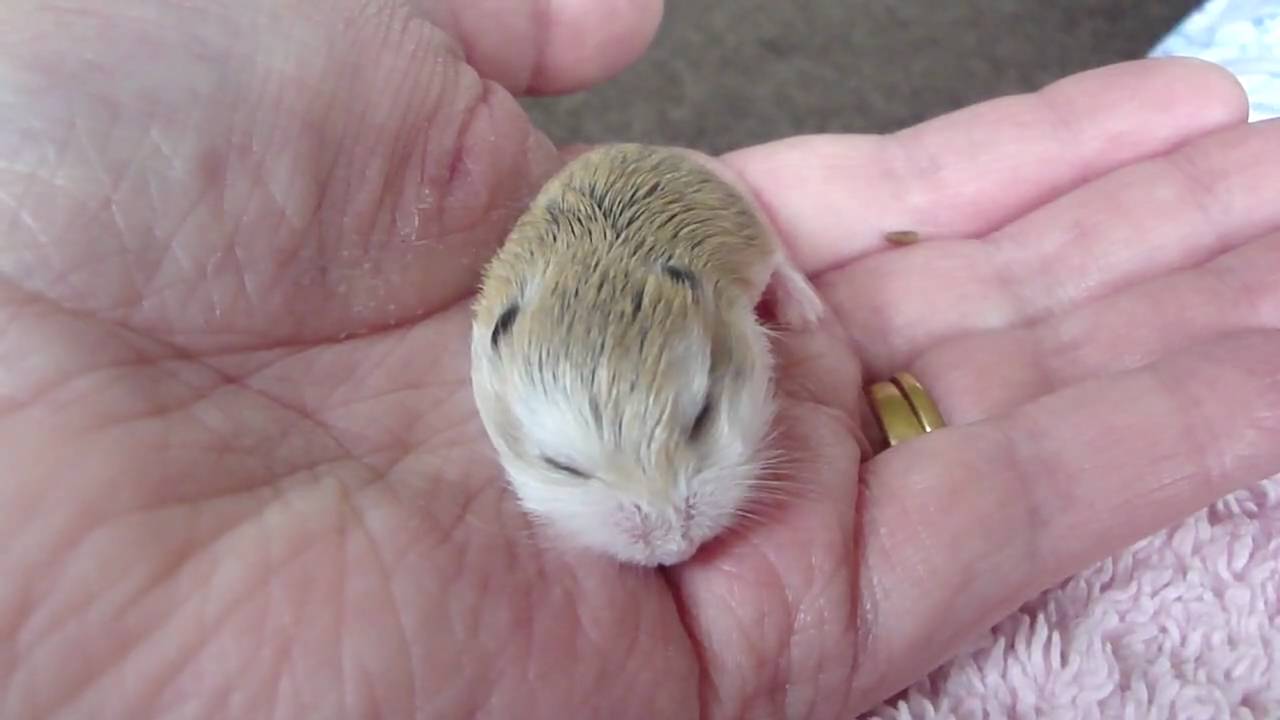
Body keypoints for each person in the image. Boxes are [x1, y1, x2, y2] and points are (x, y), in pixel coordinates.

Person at [1, 1, 1277, 717]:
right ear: (492, 370)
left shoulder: (714, 280)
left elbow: (733, 260)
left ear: (730, 329)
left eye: (695, 424)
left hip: (672, 209)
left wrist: (770, 277)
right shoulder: (494, 330)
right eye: (564, 459)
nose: (662, 521)